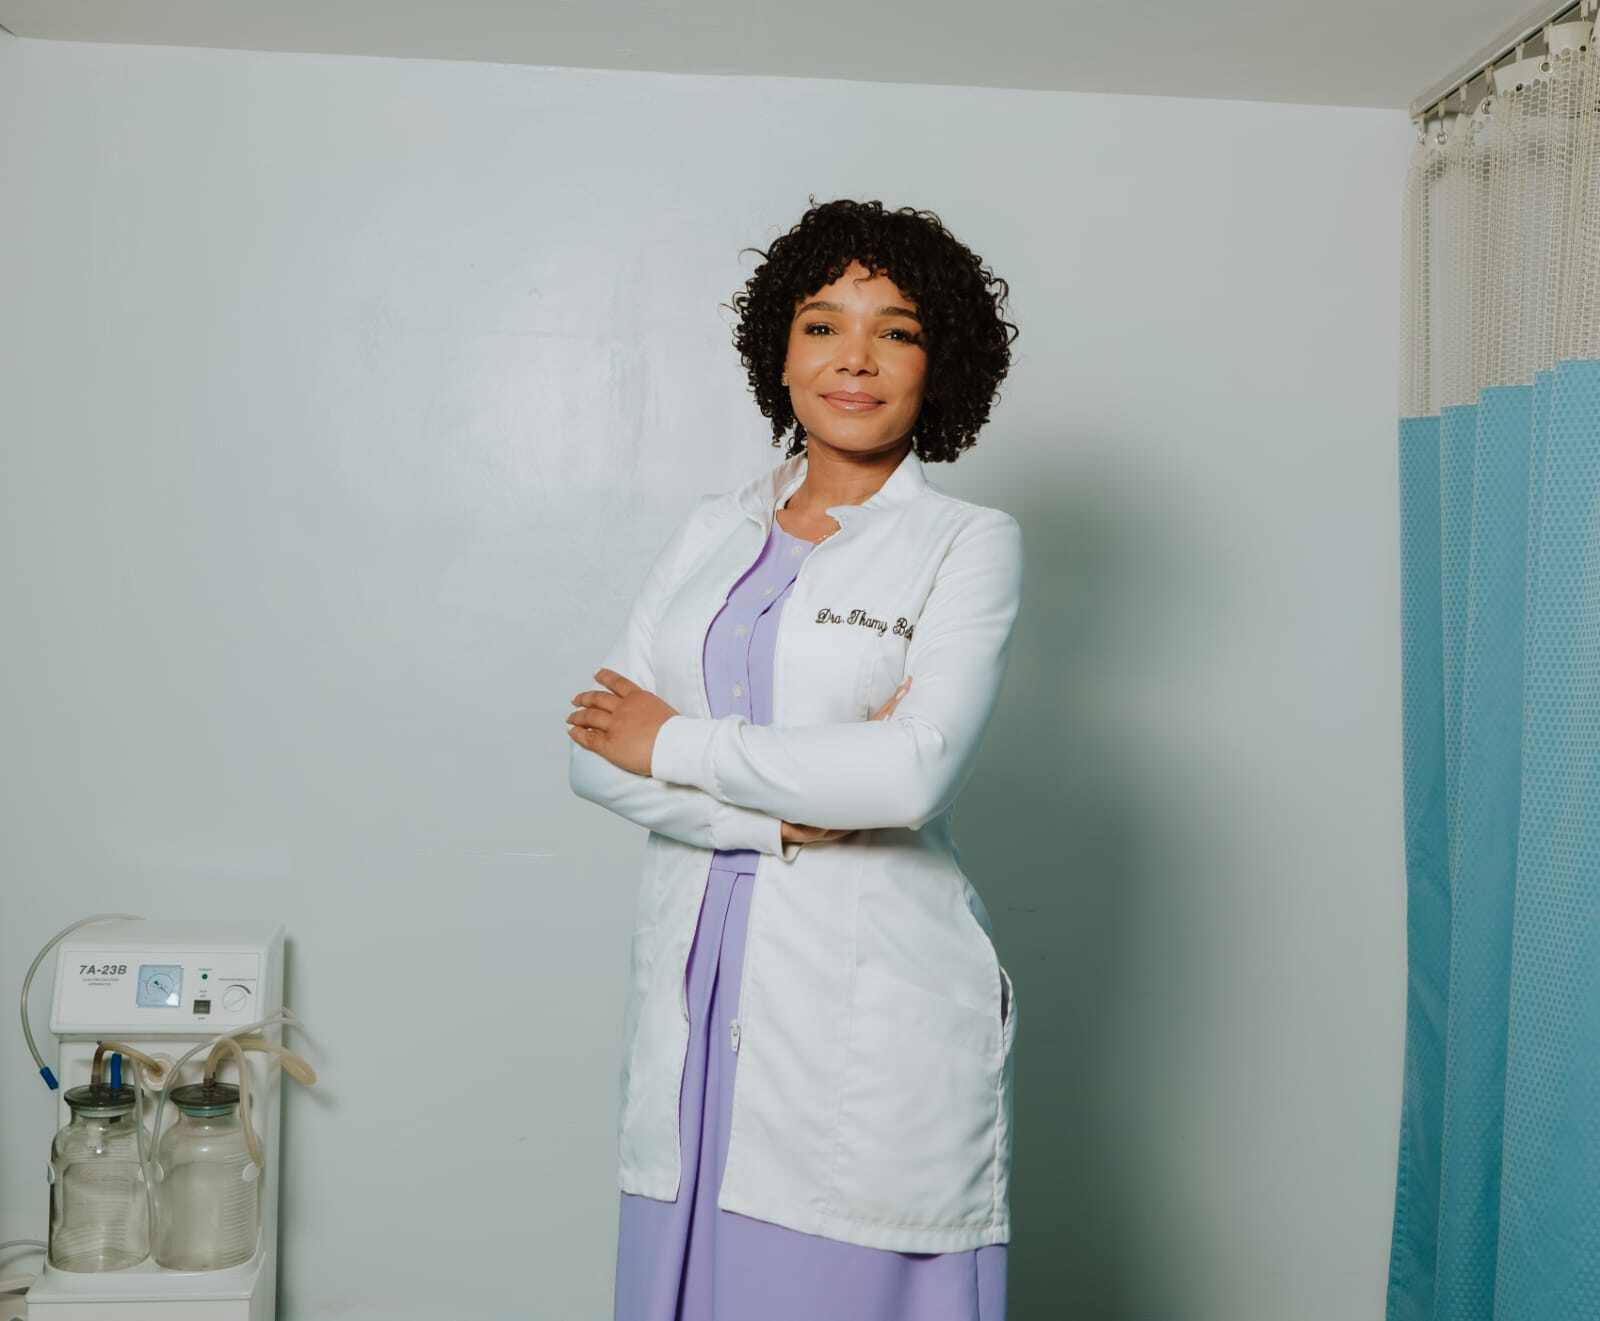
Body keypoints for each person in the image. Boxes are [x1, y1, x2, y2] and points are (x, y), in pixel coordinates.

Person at [567, 197, 1024, 1320]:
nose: (853, 359)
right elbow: (595, 757)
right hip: (696, 1000)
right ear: (780, 353)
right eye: (822, 325)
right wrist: (772, 816)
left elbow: (908, 776)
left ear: (938, 364)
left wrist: (674, 742)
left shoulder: (965, 543)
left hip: (863, 1012)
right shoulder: (708, 530)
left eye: (896, 331)